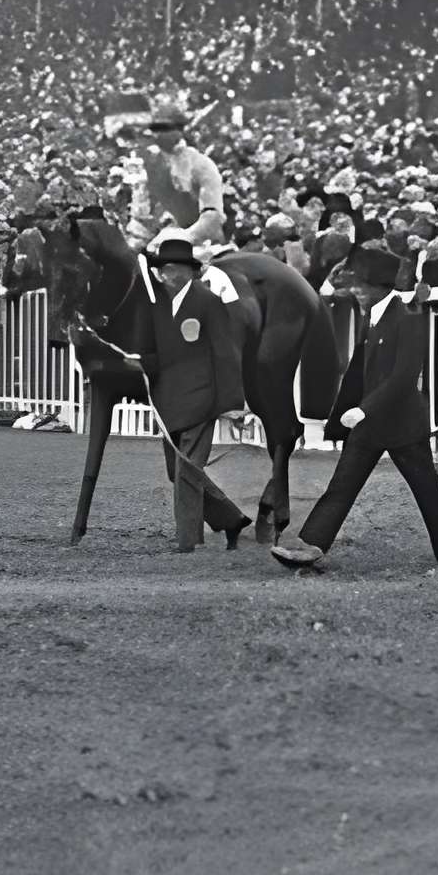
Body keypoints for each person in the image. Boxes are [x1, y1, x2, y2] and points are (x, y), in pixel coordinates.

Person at [272, 242, 438, 577]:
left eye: (362, 286)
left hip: (403, 426)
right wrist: (345, 415)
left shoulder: (408, 317)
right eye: (355, 286)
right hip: (369, 425)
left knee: (426, 490)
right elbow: (359, 370)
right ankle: (311, 546)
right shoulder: (372, 314)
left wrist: (363, 410)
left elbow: (403, 377)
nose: (356, 292)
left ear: (381, 287)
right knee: (342, 485)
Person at [142, 225, 255, 550]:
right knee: (176, 472)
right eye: (163, 269)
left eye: (172, 269)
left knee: (188, 471)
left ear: (188, 271)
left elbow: (226, 354)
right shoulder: (156, 305)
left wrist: (233, 404)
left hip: (200, 399)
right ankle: (230, 518)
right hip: (167, 401)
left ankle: (187, 542)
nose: (166, 275)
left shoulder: (208, 302)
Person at [125, 91, 230, 264]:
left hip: (199, 245)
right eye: (155, 129)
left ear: (179, 130)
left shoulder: (202, 164)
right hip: (155, 242)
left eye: (165, 128)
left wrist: (182, 237)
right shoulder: (146, 163)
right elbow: (142, 213)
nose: (158, 134)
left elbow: (212, 217)